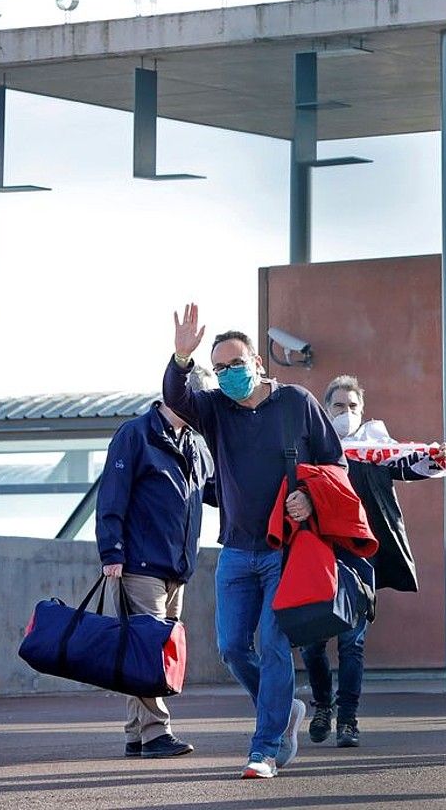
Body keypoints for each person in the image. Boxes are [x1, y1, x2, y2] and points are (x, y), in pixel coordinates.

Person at [163, 304, 343, 779]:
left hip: (286, 549)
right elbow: (176, 398)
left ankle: (264, 749)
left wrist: (307, 495)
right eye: (218, 368)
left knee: (274, 644)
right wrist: (183, 358)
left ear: (259, 362)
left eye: (235, 365)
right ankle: (283, 713)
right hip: (237, 551)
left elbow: (335, 465)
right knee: (232, 647)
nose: (227, 374)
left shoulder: (297, 403)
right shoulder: (215, 408)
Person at [301, 375, 446, 748]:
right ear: (326, 409)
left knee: (352, 642)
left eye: (353, 407)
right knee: (312, 643)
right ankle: (323, 705)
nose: (346, 413)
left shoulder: (374, 448)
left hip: (360, 557)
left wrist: (436, 458)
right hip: (318, 556)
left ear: (363, 411)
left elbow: (407, 465)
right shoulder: (310, 446)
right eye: (339, 406)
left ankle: (348, 719)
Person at [96, 373, 214, 759]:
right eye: (200, 399)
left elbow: (213, 489)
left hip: (175, 567)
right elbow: (112, 495)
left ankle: (135, 733)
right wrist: (112, 552)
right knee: (150, 649)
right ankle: (156, 732)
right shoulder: (135, 435)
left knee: (145, 649)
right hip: (139, 563)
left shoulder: (195, 443)